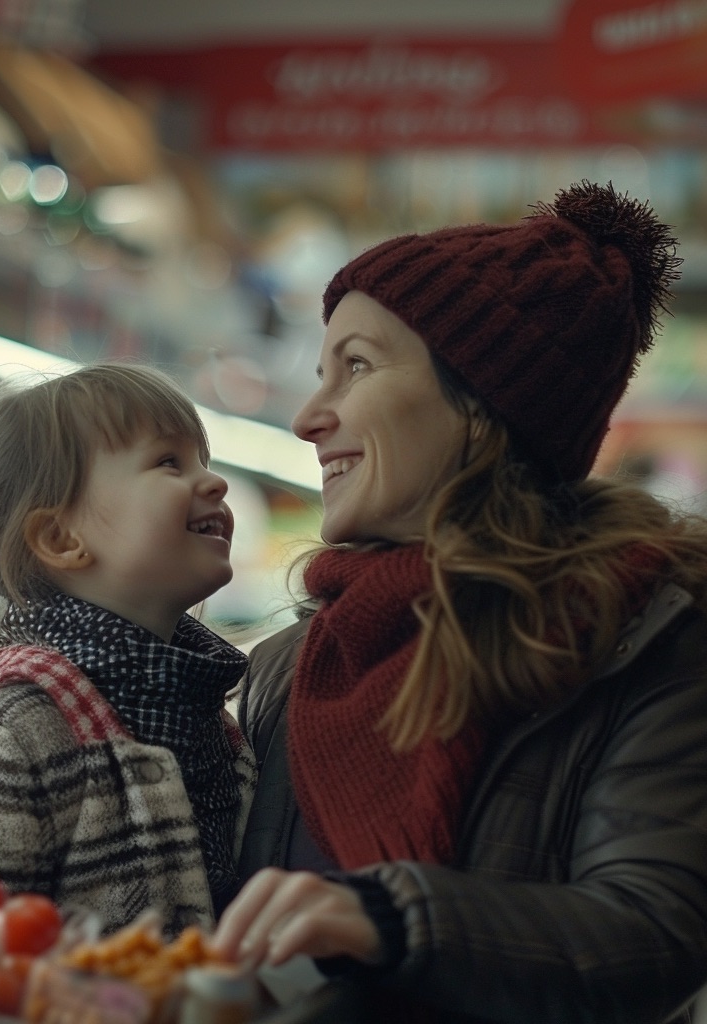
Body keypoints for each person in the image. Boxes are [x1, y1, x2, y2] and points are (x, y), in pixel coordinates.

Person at [212, 181, 707, 1023]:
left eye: (356, 367)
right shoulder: (288, 668)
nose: (307, 417)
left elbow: (659, 933)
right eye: (318, 373)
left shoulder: (645, 639)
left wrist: (396, 918)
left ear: (480, 405)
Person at [0, 363, 256, 937]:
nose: (213, 482)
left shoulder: (205, 715)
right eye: (169, 462)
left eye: (202, 459)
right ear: (59, 539)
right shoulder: (3, 748)